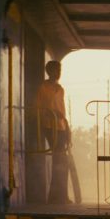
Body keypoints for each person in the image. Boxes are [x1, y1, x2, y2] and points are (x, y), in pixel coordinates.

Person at [36, 60, 72, 204]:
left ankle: (60, 196)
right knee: (60, 161)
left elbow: (62, 111)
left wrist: (67, 128)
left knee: (62, 162)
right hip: (50, 127)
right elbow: (38, 108)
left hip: (61, 126)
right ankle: (57, 197)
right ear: (50, 71)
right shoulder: (43, 88)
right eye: (56, 70)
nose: (59, 73)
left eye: (60, 70)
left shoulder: (60, 89)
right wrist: (50, 113)